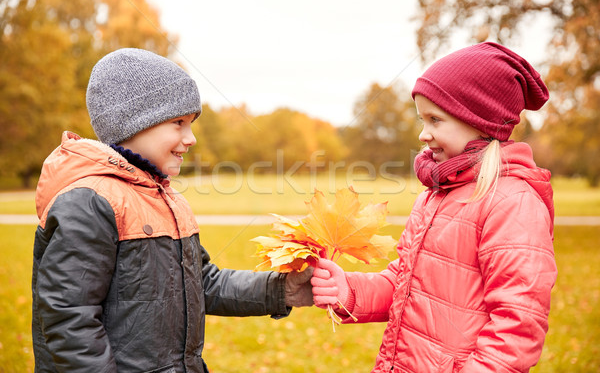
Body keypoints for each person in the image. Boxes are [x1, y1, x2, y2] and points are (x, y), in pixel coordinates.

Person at [31, 48, 313, 372]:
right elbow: (70, 322)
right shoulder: (90, 202)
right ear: (133, 122)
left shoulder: (166, 199)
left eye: (191, 124)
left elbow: (204, 284)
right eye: (178, 123)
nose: (190, 138)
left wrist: (282, 289)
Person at [311, 42, 557, 372]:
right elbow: (403, 283)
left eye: (435, 120)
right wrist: (348, 289)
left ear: (480, 122)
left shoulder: (512, 203)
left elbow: (516, 327)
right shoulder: (436, 194)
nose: (423, 134)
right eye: (422, 119)